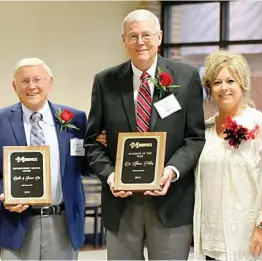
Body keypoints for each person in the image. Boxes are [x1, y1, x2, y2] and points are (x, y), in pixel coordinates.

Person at [84, 9, 206, 260]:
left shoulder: (186, 77)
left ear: (159, 37)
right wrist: (110, 176)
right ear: (124, 40)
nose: (140, 42)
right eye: (133, 36)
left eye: (147, 35)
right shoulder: (105, 81)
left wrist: (171, 171)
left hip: (171, 200)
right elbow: (92, 143)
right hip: (121, 203)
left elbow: (195, 138)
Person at [0, 57, 87, 260]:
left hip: (64, 222)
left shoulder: (76, 119)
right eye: (24, 81)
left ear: (50, 82)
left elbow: (87, 165)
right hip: (16, 223)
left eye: (37, 79)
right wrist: (3, 197)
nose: (32, 86)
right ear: (14, 85)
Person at [192, 50, 262, 260]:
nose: (224, 87)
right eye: (217, 82)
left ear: (242, 84)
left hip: (250, 237)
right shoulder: (206, 130)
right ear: (209, 88)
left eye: (230, 80)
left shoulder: (260, 125)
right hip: (212, 239)